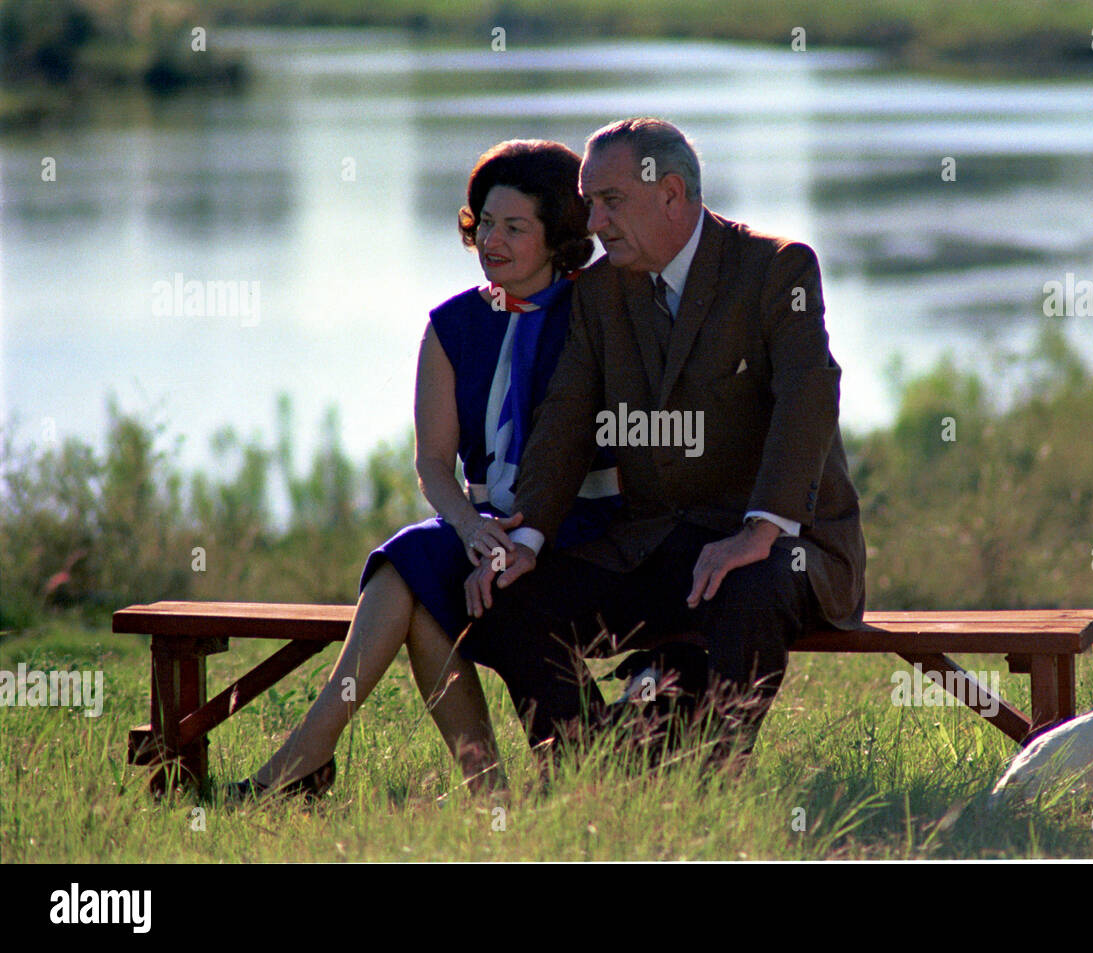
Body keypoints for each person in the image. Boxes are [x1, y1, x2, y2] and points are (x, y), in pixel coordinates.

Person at [460, 117, 867, 769]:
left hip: (784, 547)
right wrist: (527, 538)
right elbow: (565, 418)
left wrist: (760, 529)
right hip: (653, 546)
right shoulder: (597, 292)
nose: (593, 222)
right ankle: (594, 762)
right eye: (590, 203)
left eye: (610, 201)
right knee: (504, 594)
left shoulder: (776, 267)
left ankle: (716, 771)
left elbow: (807, 398)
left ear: (671, 194)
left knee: (751, 580)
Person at [227, 139, 617, 801]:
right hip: (482, 528)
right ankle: (481, 791)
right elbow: (432, 463)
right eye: (484, 222)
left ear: (559, 236)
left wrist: (517, 538)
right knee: (415, 563)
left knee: (412, 571)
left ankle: (305, 766)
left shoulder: (600, 316)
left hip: (580, 529)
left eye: (514, 227)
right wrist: (471, 530)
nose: (492, 240)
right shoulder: (452, 325)